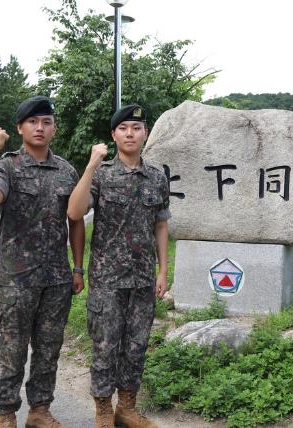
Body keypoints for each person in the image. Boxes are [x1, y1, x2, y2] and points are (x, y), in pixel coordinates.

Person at [0, 95, 85, 428]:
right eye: (33, 122)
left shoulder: (66, 170)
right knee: (13, 349)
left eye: (46, 122)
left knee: (49, 349)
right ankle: (5, 414)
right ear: (20, 127)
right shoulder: (7, 166)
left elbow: (76, 221)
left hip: (56, 279)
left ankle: (39, 411)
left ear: (54, 128)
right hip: (17, 280)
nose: (40, 127)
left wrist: (77, 268)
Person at [67, 104, 170, 428]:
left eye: (136, 128)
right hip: (108, 280)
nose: (130, 134)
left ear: (145, 133)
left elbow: (161, 225)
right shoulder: (101, 174)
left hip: (142, 279)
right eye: (123, 128)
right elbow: (74, 211)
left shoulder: (156, 176)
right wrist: (89, 167)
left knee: (136, 347)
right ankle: (102, 411)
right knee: (104, 347)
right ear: (114, 135)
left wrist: (163, 270)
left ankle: (126, 407)